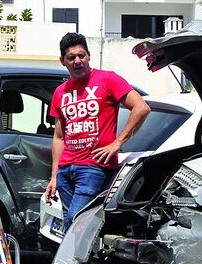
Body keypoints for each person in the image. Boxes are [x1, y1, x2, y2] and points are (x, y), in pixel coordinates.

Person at [44, 32, 150, 230]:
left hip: (93, 167)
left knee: (75, 223)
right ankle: (81, 261)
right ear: (62, 61)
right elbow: (59, 137)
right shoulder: (61, 92)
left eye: (81, 55)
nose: (78, 61)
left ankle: (71, 261)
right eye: (71, 57)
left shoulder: (108, 79)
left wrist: (117, 143)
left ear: (89, 55)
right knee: (73, 225)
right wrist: (54, 176)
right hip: (66, 170)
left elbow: (141, 108)